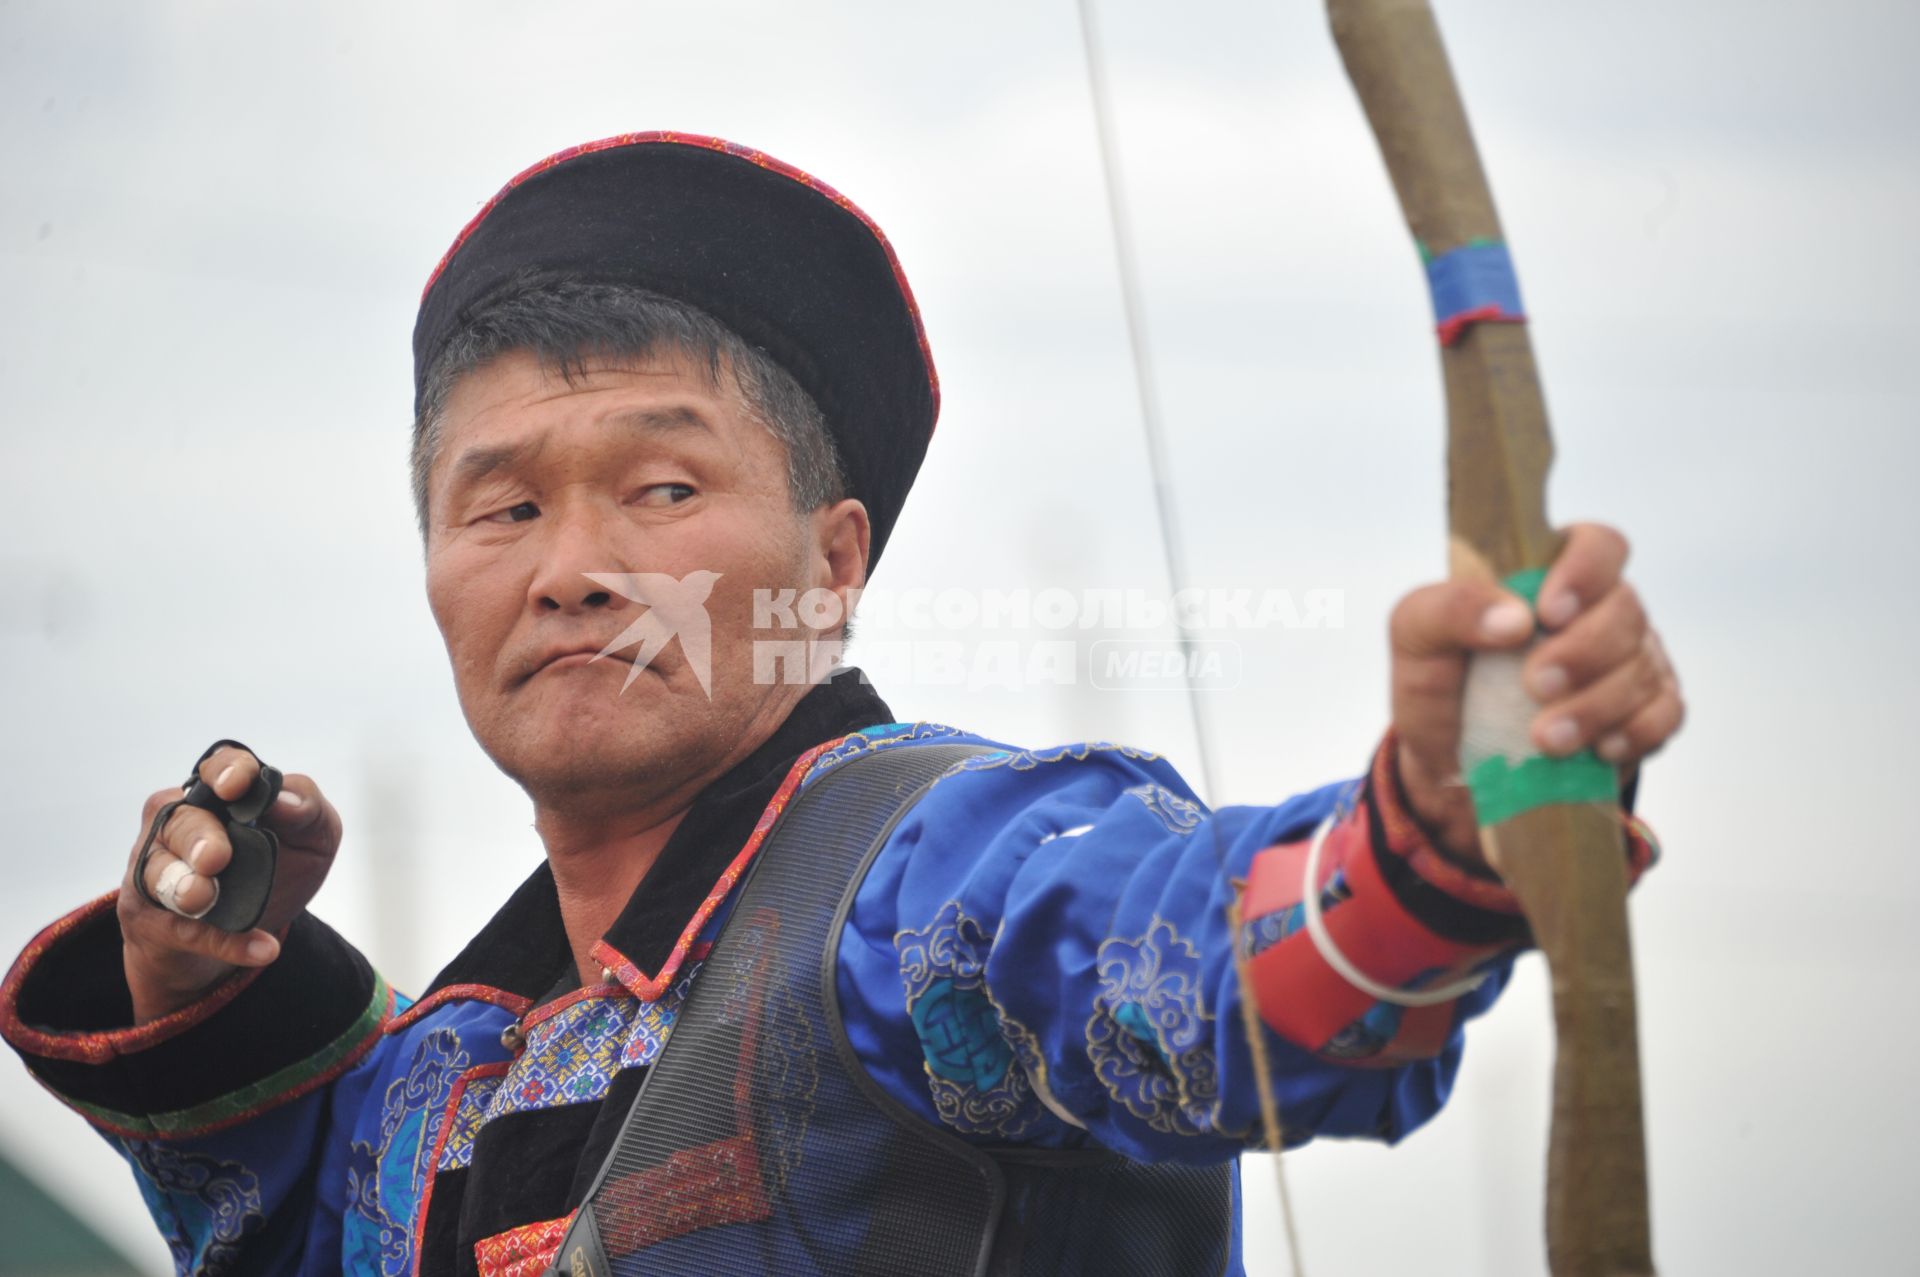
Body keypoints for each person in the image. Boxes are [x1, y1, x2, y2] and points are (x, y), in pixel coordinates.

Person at [0, 133, 1680, 1276]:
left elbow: (1207, 965)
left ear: (832, 556)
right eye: (501, 508)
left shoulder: (929, 873)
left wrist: (1438, 837)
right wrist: (213, 987)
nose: (572, 567)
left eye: (662, 488)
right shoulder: (452, 1063)